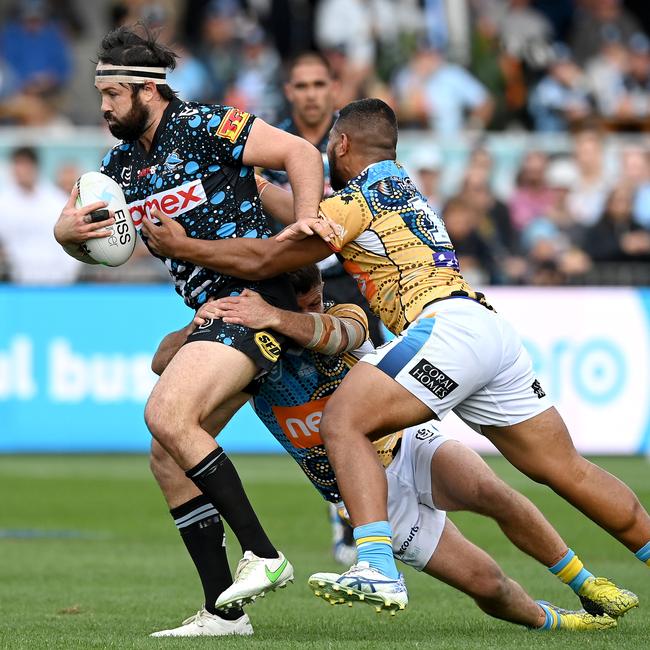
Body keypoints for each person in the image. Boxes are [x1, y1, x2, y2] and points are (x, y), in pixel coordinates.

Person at [142, 98, 650, 614]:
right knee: (569, 471)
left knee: (343, 419)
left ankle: (377, 567)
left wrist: (186, 247)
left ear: (341, 144)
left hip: (444, 329)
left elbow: (275, 254)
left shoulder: (361, 197)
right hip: (489, 329)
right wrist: (257, 189)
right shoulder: (397, 187)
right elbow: (314, 218)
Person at [148, 265, 624, 634]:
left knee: (489, 490)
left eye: (318, 297)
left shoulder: (345, 312)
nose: (318, 305)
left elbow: (341, 335)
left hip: (406, 446)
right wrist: (203, 326)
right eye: (307, 301)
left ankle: (586, 583)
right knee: (487, 583)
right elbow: (160, 362)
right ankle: (559, 622)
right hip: (368, 496)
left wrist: (278, 317)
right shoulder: (247, 358)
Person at [53, 24, 325, 614]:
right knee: (168, 455)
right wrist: (65, 231)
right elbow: (77, 226)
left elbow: (300, 151)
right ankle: (222, 612)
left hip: (255, 298)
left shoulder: (207, 126)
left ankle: (264, 554)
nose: (102, 106)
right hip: (212, 311)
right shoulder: (121, 164)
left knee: (166, 412)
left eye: (112, 95)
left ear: (148, 91)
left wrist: (306, 220)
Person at [0, 146, 80, 284]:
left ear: (34, 167)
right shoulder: (3, 203)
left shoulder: (57, 200)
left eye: (24, 165)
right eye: (17, 165)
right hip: (16, 282)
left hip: (59, 280)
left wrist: (68, 274)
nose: (20, 171)